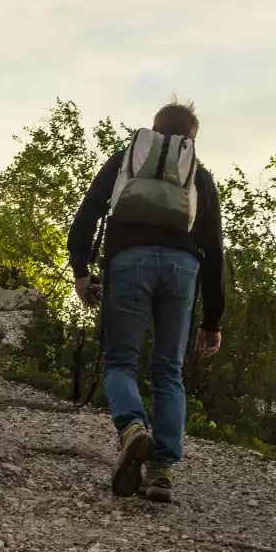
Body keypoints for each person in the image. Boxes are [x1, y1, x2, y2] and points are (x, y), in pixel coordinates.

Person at [66, 101, 225, 504]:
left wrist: (82, 272)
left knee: (120, 362)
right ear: (191, 139)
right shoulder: (199, 177)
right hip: (182, 269)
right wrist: (213, 321)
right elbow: (215, 252)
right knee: (169, 371)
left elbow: (86, 216)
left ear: (153, 131)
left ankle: (133, 427)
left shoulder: (125, 162)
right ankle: (160, 474)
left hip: (128, 263)